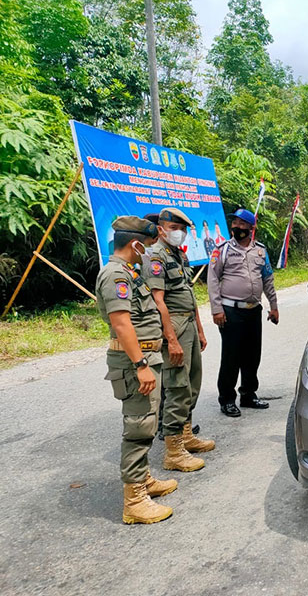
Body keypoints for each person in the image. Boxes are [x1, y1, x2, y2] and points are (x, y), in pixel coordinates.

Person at [96, 215, 175, 525]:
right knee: (139, 428)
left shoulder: (129, 272)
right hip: (134, 363)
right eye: (148, 245)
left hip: (146, 359)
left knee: (146, 422)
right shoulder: (115, 275)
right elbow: (121, 323)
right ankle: (134, 501)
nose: (149, 252)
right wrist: (141, 365)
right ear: (135, 244)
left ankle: (143, 481)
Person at [144, 208, 215, 472]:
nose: (180, 233)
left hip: (188, 325)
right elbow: (157, 301)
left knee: (192, 381)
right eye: (176, 228)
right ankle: (173, 450)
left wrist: (200, 329)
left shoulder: (179, 255)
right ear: (162, 228)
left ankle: (186, 434)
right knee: (177, 385)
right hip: (173, 326)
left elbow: (188, 295)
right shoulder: (155, 256)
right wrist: (171, 340)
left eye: (183, 229)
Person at [208, 208, 279, 417]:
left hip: (253, 310)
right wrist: (216, 309)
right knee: (231, 357)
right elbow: (212, 280)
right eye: (235, 223)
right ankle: (227, 399)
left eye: (241, 224)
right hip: (231, 311)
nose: (237, 227)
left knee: (252, 356)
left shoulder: (260, 251)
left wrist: (273, 306)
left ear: (251, 227)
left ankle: (248, 394)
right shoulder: (222, 250)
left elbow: (267, 279)